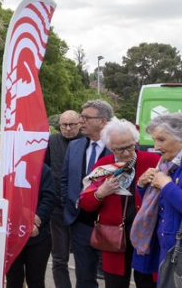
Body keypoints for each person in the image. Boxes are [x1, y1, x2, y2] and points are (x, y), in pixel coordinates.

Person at [78, 118, 158, 288]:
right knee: (115, 283)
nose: (127, 153)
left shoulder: (152, 161)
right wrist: (100, 193)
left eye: (130, 146)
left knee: (147, 282)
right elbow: (85, 203)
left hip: (146, 236)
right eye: (119, 149)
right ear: (109, 147)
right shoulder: (103, 166)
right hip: (113, 237)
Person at [61, 99, 114, 288]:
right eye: (81, 116)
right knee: (84, 278)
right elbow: (65, 180)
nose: (81, 121)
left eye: (86, 117)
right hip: (80, 223)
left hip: (111, 226)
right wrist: (69, 204)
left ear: (103, 121)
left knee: (113, 278)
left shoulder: (118, 148)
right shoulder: (74, 147)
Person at [132, 113, 182, 283]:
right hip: (164, 246)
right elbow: (157, 204)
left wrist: (167, 186)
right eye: (155, 140)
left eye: (161, 139)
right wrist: (142, 185)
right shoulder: (166, 164)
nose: (156, 146)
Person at [0, 163, 57, 288]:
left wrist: (37, 218)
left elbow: (49, 197)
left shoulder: (43, 169)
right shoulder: (1, 171)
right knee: (13, 280)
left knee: (36, 280)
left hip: (37, 236)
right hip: (11, 236)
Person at [44, 110, 83, 288]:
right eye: (63, 125)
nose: (67, 128)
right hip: (57, 208)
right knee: (59, 258)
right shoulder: (51, 142)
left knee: (84, 257)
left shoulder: (87, 142)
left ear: (80, 124)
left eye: (71, 124)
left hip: (82, 209)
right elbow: (45, 170)